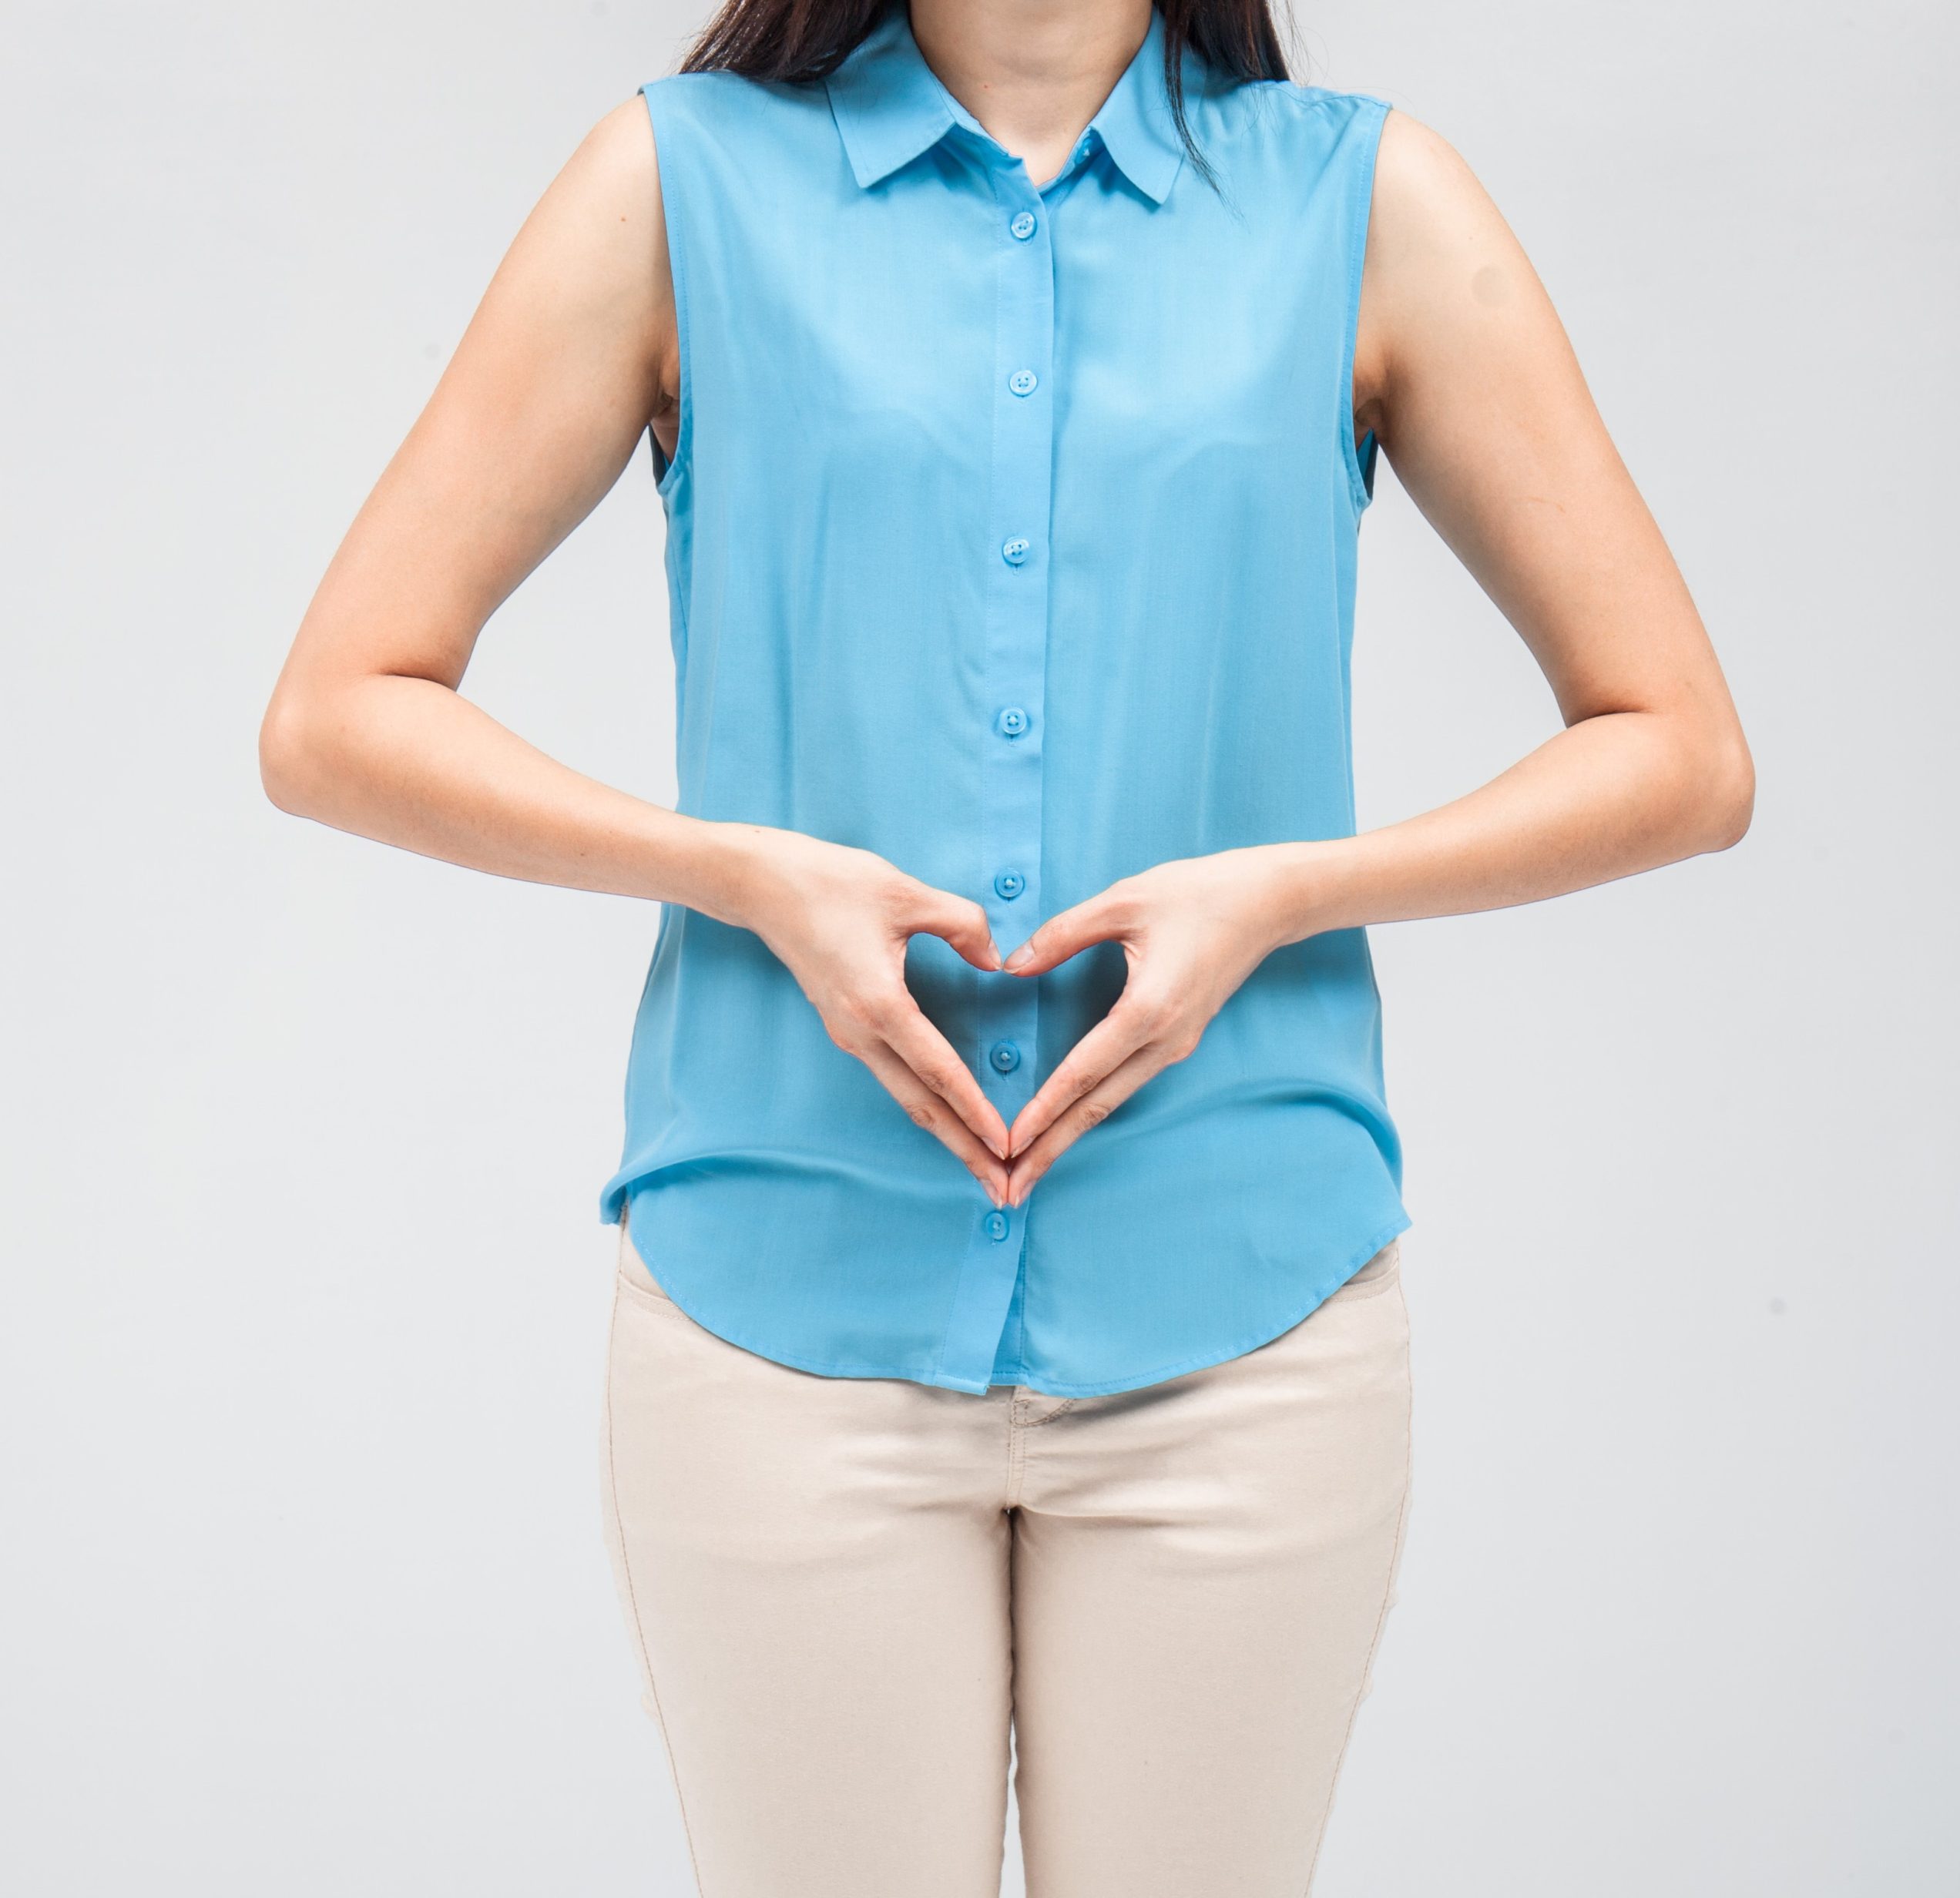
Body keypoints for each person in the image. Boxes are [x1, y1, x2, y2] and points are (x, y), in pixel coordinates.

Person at [259, 0, 1754, 1888]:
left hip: (1243, 1324)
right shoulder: (679, 182)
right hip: (780, 1316)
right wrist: (731, 866)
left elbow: (1678, 749)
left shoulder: (1358, 202)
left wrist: (1286, 886)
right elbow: (336, 709)